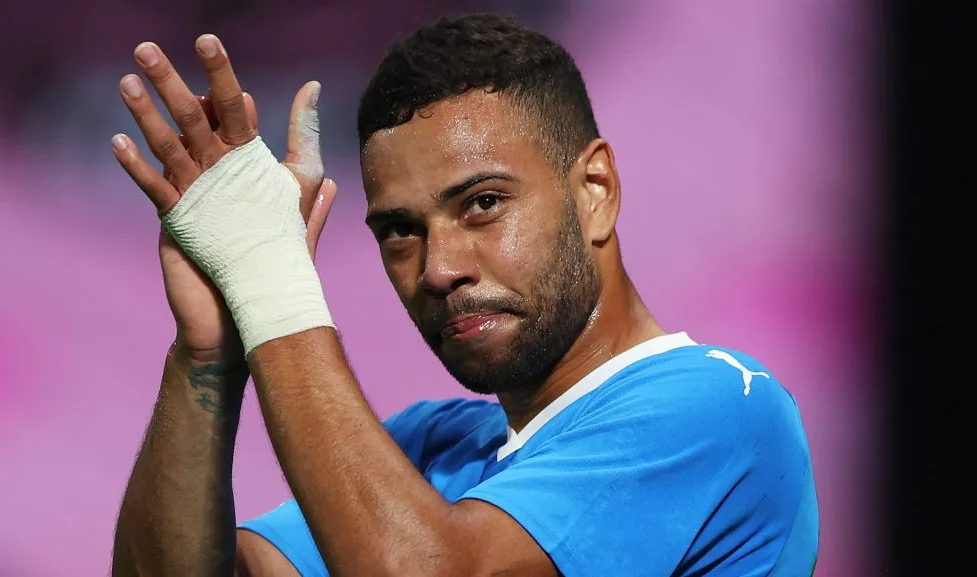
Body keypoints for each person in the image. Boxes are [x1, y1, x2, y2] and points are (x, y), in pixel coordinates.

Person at [109, 13, 819, 577]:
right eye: (399, 230)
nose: (438, 267)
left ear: (595, 191)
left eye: (482, 202)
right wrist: (208, 352)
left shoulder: (718, 407)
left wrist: (270, 278)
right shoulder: (429, 446)